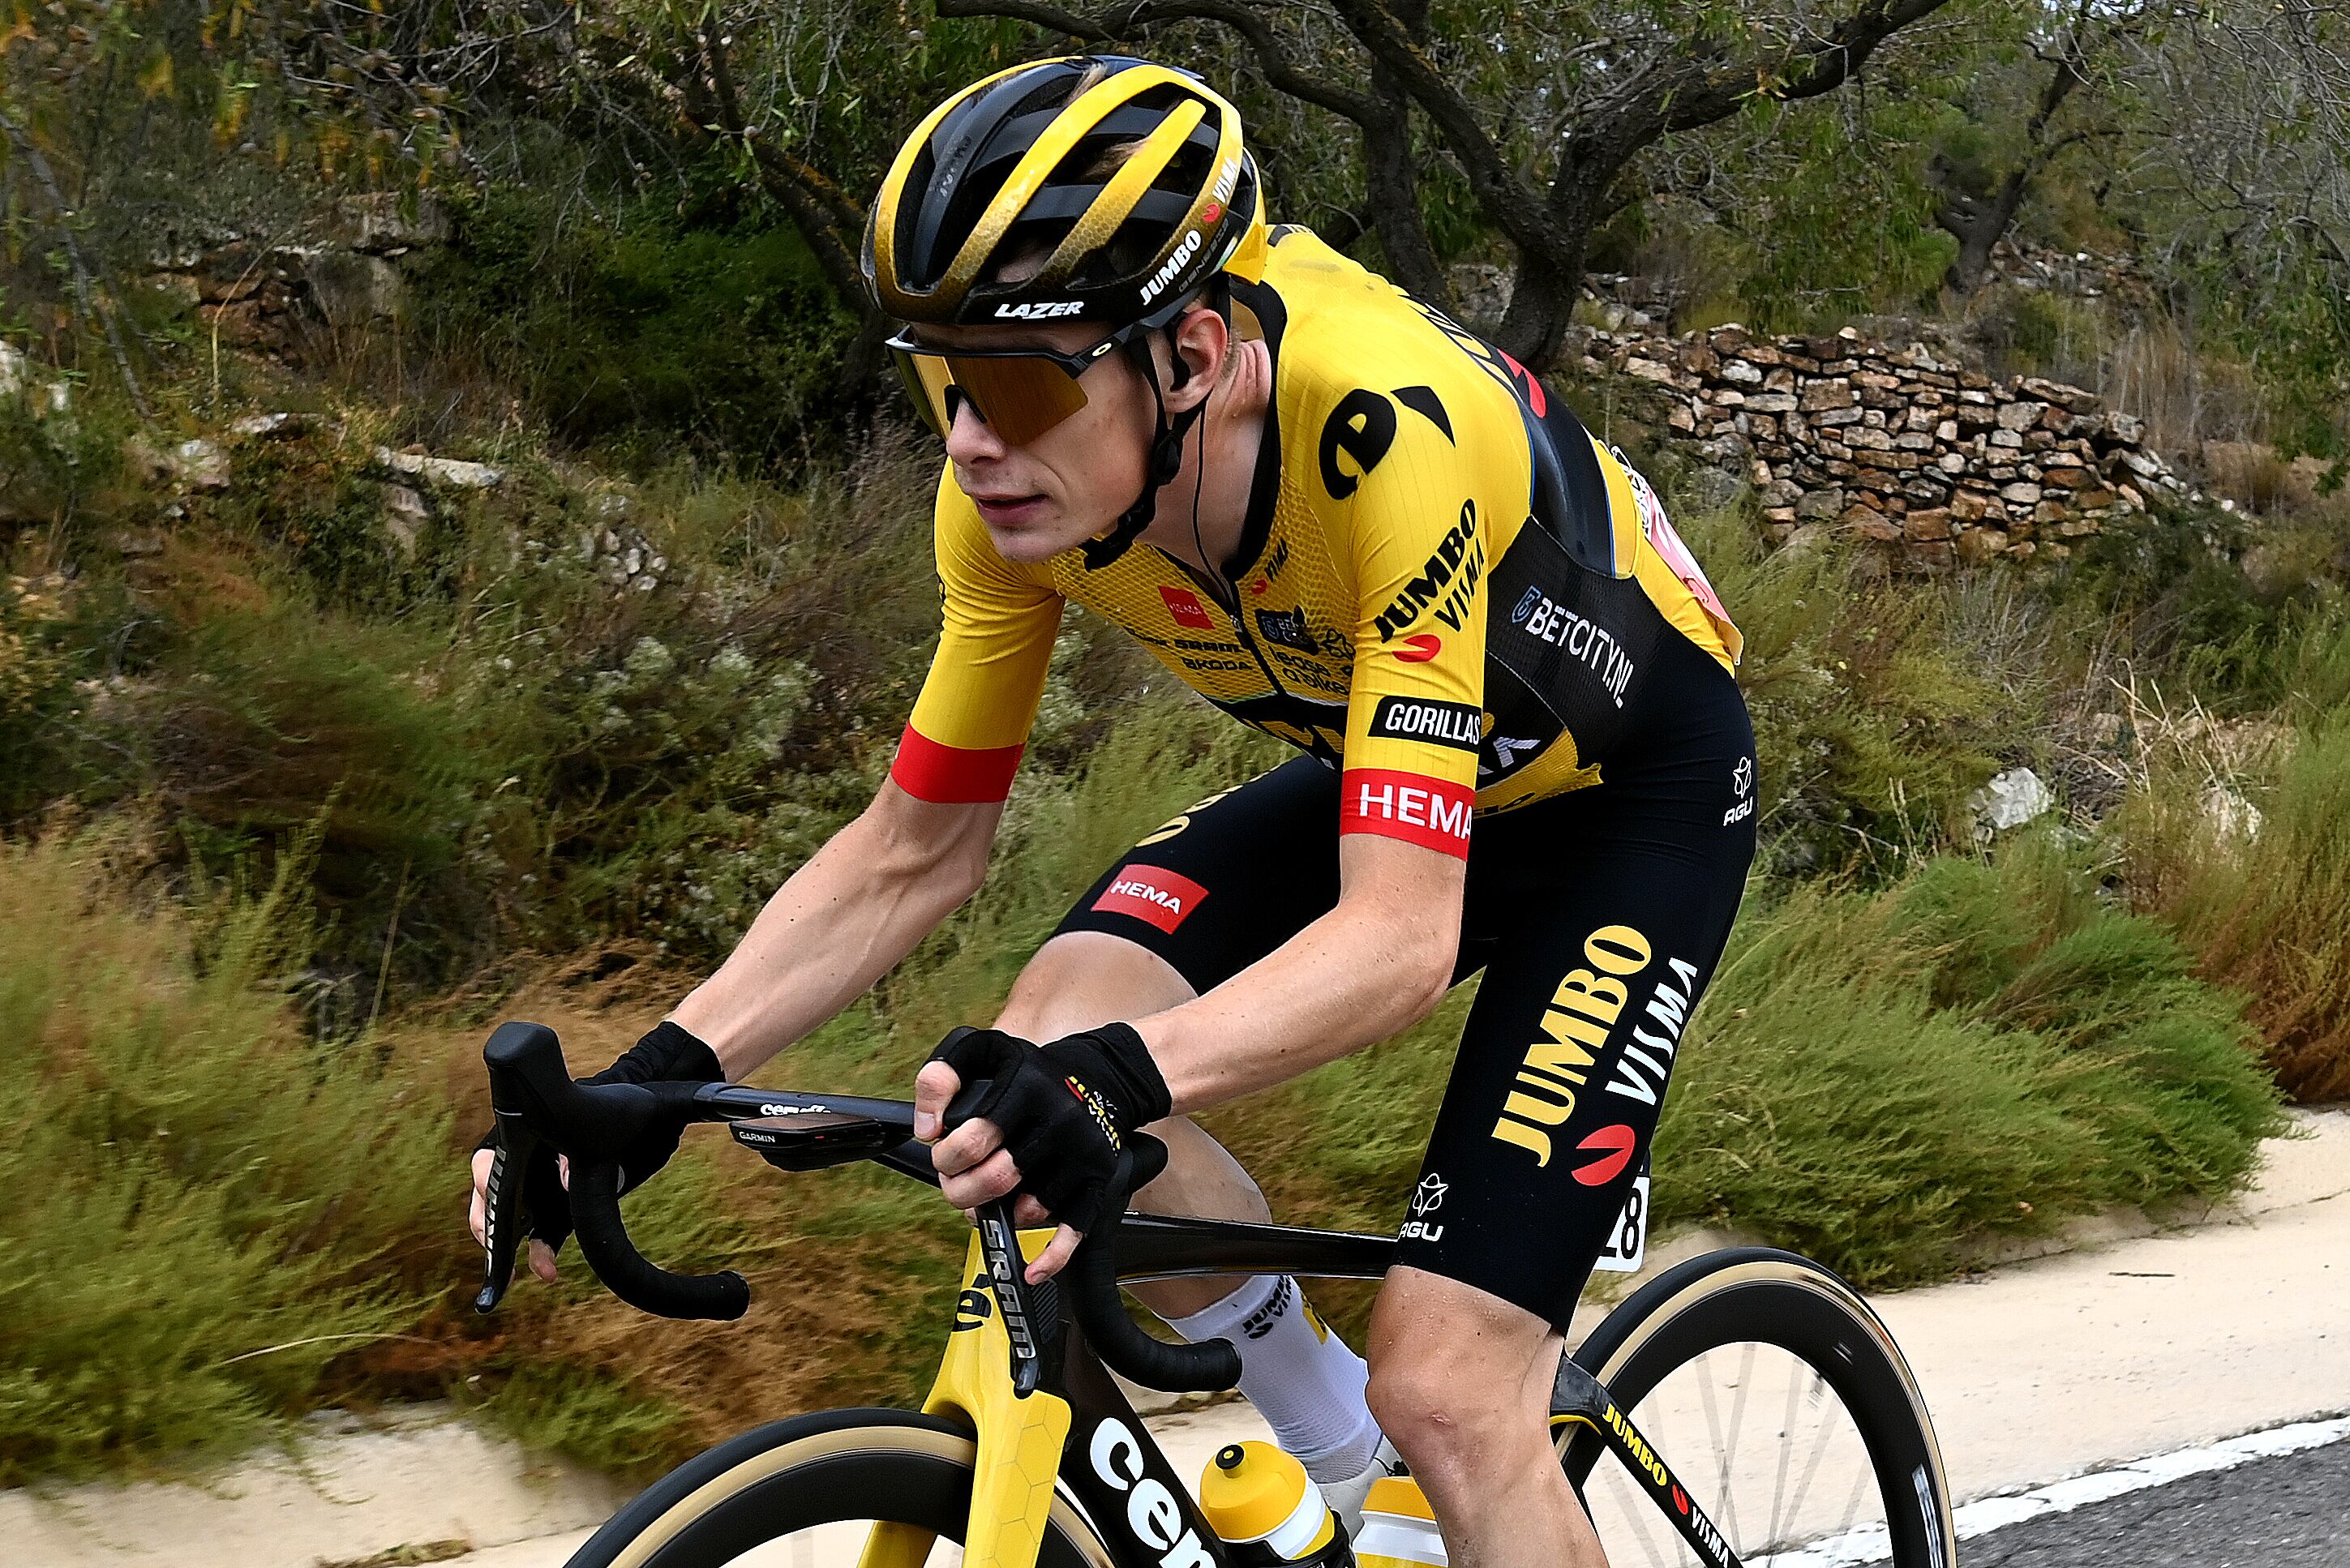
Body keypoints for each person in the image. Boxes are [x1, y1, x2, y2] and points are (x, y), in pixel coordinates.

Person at [469, 53, 1756, 1567]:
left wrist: (1111, 1085)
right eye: (940, 379)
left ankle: (1402, 1438)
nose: (969, 439)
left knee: (1457, 1393)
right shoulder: (1007, 505)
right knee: (1039, 1047)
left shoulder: (1379, 439)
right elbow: (911, 849)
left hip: (1629, 798)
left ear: (1193, 351)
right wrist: (661, 1077)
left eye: (1016, 381)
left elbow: (1397, 939)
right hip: (1400, 756)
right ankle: (1335, 1452)